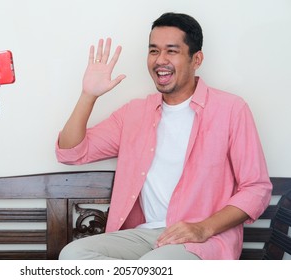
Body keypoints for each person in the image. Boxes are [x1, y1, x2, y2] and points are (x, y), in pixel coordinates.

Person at [55, 12, 272, 260]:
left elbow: (257, 188)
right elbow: (71, 152)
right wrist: (88, 95)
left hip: (202, 241)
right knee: (73, 254)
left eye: (172, 51)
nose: (160, 60)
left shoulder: (231, 109)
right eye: (154, 51)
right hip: (145, 236)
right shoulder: (134, 113)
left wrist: (203, 228)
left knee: (154, 267)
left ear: (196, 59)